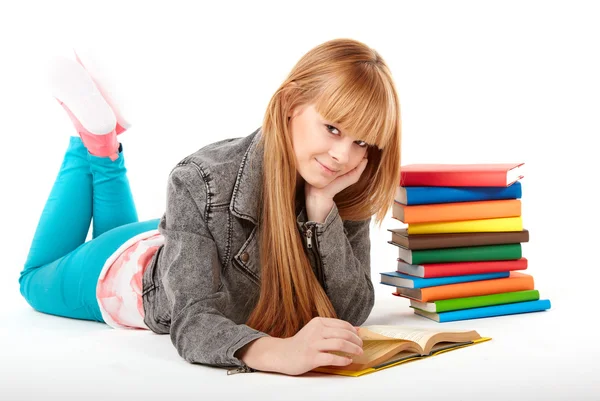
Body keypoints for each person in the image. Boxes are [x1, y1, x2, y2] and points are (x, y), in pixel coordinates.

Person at [19, 38, 402, 376]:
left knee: (103, 235)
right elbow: (193, 320)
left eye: (362, 142)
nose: (342, 155)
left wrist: (321, 213)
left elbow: (351, 311)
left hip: (172, 241)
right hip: (127, 278)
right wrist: (277, 351)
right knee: (34, 280)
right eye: (333, 128)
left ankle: (104, 141)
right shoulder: (201, 179)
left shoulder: (342, 186)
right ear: (290, 104)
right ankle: (92, 138)